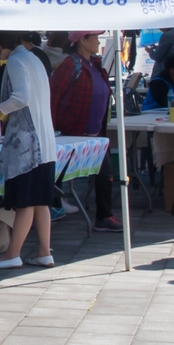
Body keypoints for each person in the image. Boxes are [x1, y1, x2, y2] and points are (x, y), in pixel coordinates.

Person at [0, 32, 57, 272]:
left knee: (25, 201)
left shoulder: (16, 60)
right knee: (41, 201)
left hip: (28, 144)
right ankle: (44, 251)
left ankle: (12, 253)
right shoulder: (33, 57)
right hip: (44, 140)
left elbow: (22, 97)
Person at [49, 32, 118, 228]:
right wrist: (52, 128)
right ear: (82, 40)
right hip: (72, 134)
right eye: (95, 37)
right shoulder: (70, 65)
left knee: (106, 174)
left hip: (96, 134)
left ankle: (104, 216)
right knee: (58, 172)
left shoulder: (95, 65)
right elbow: (52, 97)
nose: (98, 41)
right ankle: (54, 205)